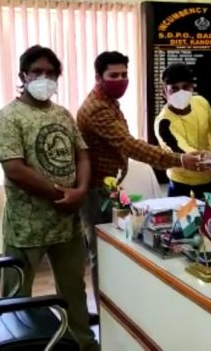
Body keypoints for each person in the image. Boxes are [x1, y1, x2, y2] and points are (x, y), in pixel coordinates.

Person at [76, 51, 203, 313]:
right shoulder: (98, 108)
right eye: (113, 75)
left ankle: (115, 307)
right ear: (98, 77)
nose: (121, 80)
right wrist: (179, 160)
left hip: (109, 187)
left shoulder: (108, 101)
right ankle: (107, 314)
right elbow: (129, 145)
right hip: (96, 190)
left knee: (113, 249)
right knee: (103, 252)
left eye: (124, 74)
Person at [0, 45, 97, 350]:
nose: (44, 77)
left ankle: (82, 344)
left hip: (66, 224)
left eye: (51, 73)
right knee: (16, 296)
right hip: (27, 227)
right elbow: (14, 169)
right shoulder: (8, 117)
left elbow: (82, 155)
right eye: (37, 71)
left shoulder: (62, 114)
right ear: (23, 76)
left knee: (73, 290)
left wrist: (80, 191)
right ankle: (15, 347)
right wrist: (62, 194)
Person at [154, 63, 211, 198]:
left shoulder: (201, 102)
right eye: (174, 89)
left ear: (192, 88)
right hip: (182, 185)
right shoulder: (163, 123)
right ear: (164, 92)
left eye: (185, 87)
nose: (181, 93)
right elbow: (184, 152)